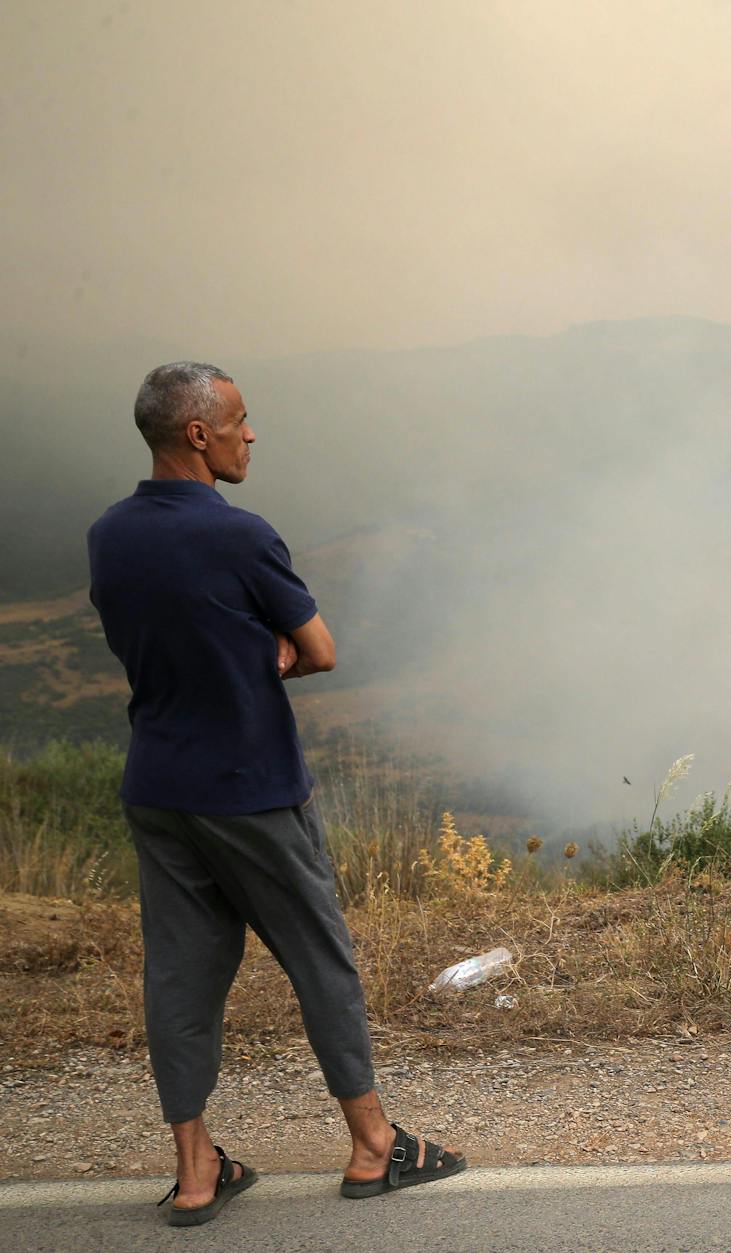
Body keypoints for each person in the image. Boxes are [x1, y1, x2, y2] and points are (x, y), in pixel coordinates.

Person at [87, 362, 465, 1226]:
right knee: (319, 958)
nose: (249, 434)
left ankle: (195, 1172)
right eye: (239, 421)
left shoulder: (109, 534)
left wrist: (236, 646)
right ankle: (373, 1145)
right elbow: (320, 648)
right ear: (198, 434)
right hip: (249, 786)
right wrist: (266, 648)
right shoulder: (240, 534)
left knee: (180, 977)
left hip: (157, 786)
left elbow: (155, 641)